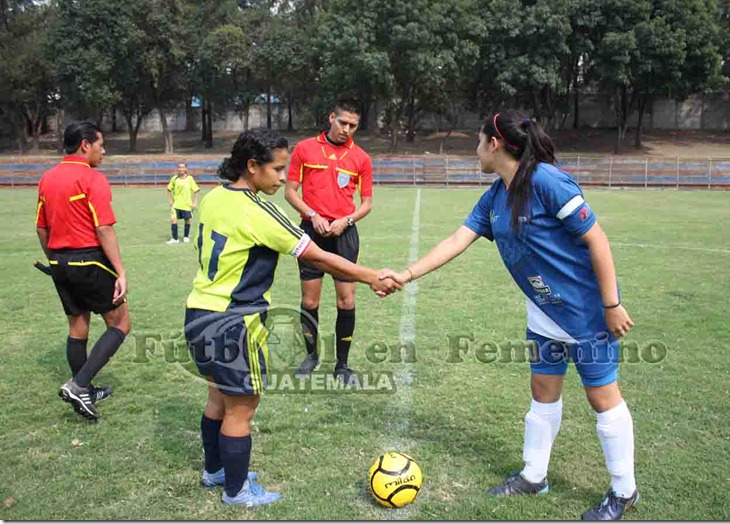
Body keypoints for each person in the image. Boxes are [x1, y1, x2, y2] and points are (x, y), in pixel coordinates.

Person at [380, 112, 638, 521]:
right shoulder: (496, 195)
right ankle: (534, 475)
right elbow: (456, 239)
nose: (476, 150)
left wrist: (611, 305)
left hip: (586, 312)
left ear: (495, 144)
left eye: (479, 142)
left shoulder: (547, 182)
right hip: (543, 310)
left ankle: (624, 490)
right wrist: (406, 275)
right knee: (542, 391)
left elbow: (596, 239)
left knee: (601, 397)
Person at [184, 129, 399, 508]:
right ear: (251, 167)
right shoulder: (259, 211)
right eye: (277, 169)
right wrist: (369, 276)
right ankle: (236, 492)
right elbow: (314, 254)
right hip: (235, 322)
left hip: (198, 312)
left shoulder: (215, 197)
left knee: (217, 396)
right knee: (242, 407)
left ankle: (216, 470)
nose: (283, 177)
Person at [36, 121, 132, 421]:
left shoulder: (47, 178)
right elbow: (103, 228)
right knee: (120, 324)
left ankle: (86, 389)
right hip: (89, 260)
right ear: (84, 145)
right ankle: (78, 385)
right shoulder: (93, 179)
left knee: (78, 328)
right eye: (100, 144)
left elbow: (41, 228)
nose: (103, 150)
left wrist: (55, 261)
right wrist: (120, 271)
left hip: (59, 261)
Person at [284, 97, 373, 384]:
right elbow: (290, 192)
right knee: (309, 299)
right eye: (343, 122)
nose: (347, 129)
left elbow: (367, 203)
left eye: (353, 125)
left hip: (344, 234)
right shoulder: (305, 149)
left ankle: (343, 366)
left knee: (346, 301)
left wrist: (345, 221)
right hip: (310, 232)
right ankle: (311, 357)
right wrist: (312, 215)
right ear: (331, 117)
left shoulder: (361, 158)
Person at [166, 161, 200, 244]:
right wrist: (170, 200)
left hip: (187, 205)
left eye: (182, 167)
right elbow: (169, 189)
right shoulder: (174, 179)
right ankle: (175, 238)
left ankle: (186, 236)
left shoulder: (189, 179)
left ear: (186, 169)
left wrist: (195, 202)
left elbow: (196, 190)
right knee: (173, 219)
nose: (181, 169)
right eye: (179, 167)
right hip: (176, 205)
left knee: (187, 220)